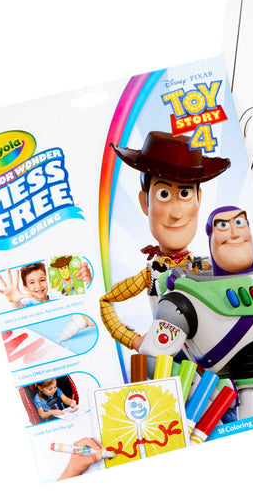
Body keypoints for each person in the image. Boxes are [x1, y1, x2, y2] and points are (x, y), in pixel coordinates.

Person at [138, 206, 253, 419]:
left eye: (239, 223)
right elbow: (150, 360)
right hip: (252, 388)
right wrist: (198, 388)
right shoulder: (184, 298)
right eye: (222, 225)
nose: (235, 233)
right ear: (211, 235)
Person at [99, 131, 230, 352]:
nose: (177, 214)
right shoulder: (151, 275)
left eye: (185, 193)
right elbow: (106, 301)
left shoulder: (206, 267)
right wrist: (135, 341)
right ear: (145, 203)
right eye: (163, 195)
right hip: (168, 361)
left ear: (199, 198)